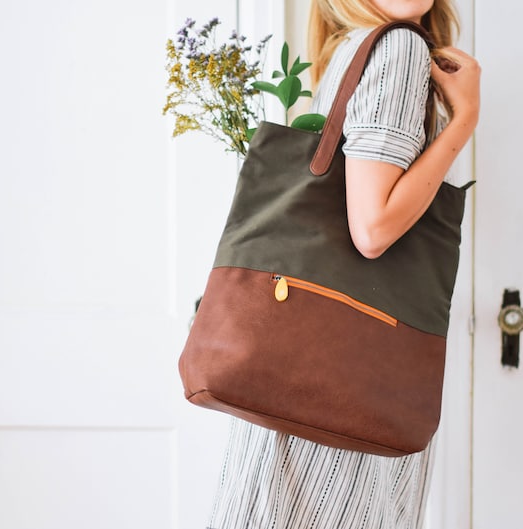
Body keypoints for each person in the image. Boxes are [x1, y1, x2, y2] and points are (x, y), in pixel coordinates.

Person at [206, 1, 481, 528]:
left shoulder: (353, 46)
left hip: (297, 393)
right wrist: (464, 118)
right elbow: (373, 229)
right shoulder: (399, 48)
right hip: (342, 406)